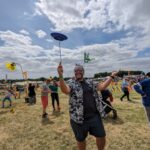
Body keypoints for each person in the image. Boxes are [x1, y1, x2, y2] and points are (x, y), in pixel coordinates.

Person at [57, 63, 117, 150]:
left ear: (83, 72)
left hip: (94, 116)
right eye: (75, 70)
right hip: (78, 119)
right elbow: (65, 90)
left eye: (79, 70)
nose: (77, 71)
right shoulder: (71, 83)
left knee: (101, 136)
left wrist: (112, 76)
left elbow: (102, 86)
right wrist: (60, 75)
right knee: (81, 140)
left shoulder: (90, 82)